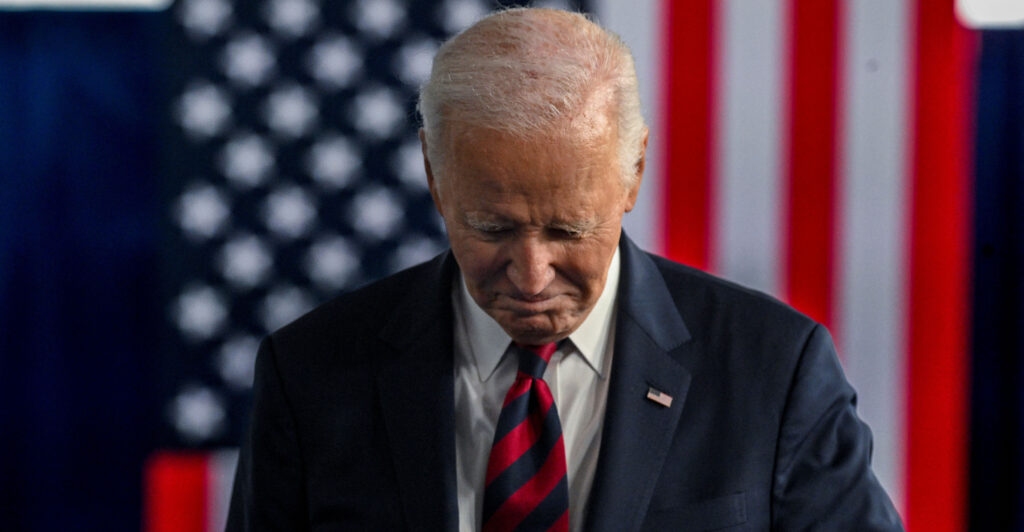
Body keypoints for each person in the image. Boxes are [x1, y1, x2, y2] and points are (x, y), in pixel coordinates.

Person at [227, 7, 903, 531]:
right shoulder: (310, 372)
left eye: (567, 230)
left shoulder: (774, 370)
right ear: (435, 177)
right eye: (492, 229)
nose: (530, 274)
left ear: (633, 173)